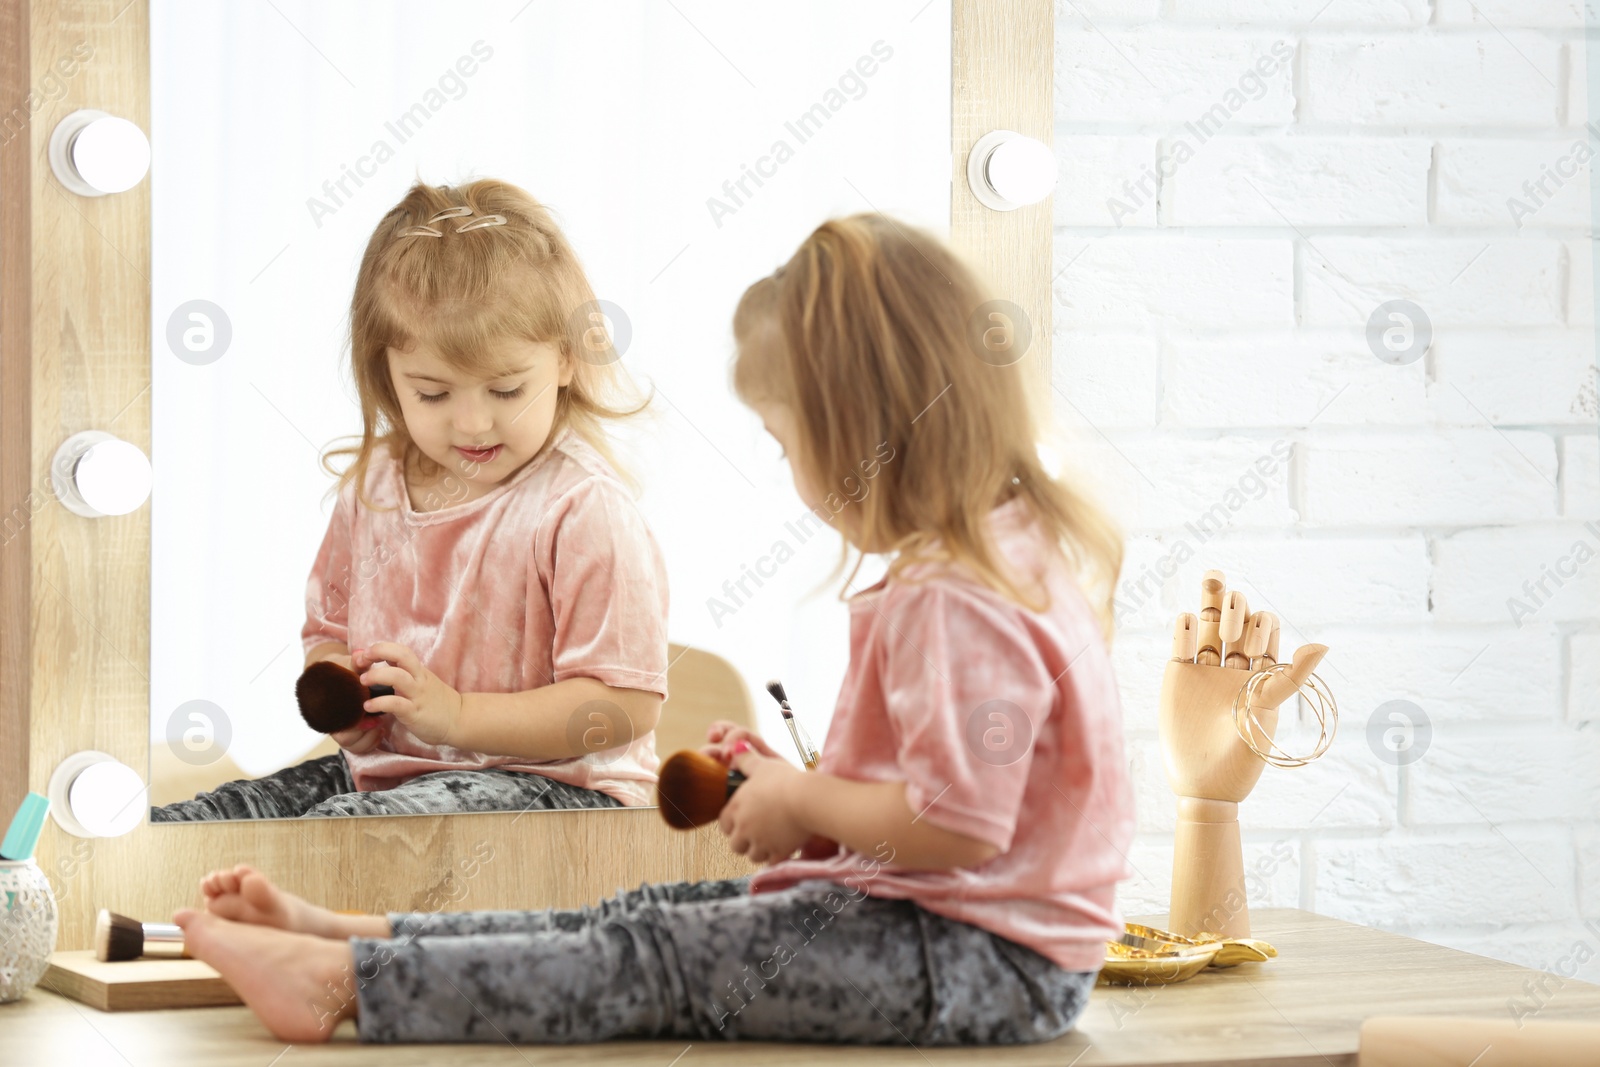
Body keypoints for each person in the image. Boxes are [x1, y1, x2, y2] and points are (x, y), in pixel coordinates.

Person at [173, 213, 1134, 1047]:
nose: (796, 472)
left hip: (976, 962)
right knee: (640, 919)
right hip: (958, 943)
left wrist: (804, 796)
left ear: (861, 432)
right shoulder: (1003, 557)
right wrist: (791, 789)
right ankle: (351, 939)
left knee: (647, 956)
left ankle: (346, 984)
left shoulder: (956, 595)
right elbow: (946, 804)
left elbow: (954, 824)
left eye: (785, 441)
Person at [152, 179, 668, 821]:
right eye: (433, 393)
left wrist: (457, 716)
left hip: (560, 797)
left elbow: (624, 706)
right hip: (391, 777)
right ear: (387, 377)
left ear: (566, 359)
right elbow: (329, 636)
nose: (473, 424)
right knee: (194, 829)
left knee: (342, 837)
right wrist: (347, 701)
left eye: (506, 391)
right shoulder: (373, 489)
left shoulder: (582, 509)